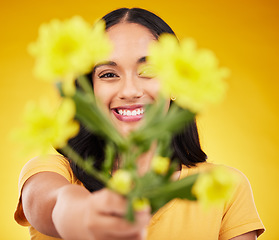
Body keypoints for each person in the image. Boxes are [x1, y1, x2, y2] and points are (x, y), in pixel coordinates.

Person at [14, 8, 265, 240]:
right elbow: (54, 202)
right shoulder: (53, 172)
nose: (130, 90)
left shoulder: (224, 187)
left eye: (148, 70)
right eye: (109, 74)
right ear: (89, 90)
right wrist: (83, 214)